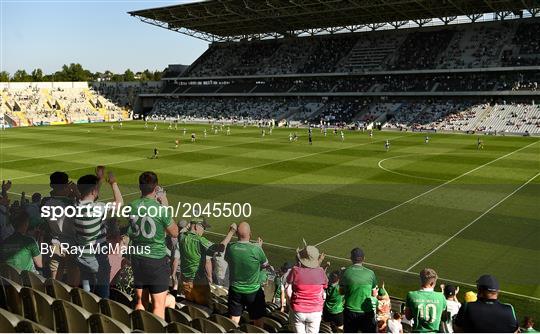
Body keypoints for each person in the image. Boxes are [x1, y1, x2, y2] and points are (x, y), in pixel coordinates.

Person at [128, 171, 179, 319]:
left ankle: (140, 326)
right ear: (156, 187)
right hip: (155, 260)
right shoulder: (160, 209)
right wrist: (164, 204)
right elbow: (174, 232)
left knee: (140, 301)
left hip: (137, 258)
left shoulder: (132, 206)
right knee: (158, 305)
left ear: (139, 186)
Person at [74, 167, 123, 299]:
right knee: (103, 293)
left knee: (86, 289)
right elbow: (119, 204)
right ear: (93, 191)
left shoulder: (74, 206)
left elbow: (87, 195)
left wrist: (99, 180)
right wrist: (113, 183)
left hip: (81, 255)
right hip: (97, 258)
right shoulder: (98, 208)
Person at [178, 219, 236, 306]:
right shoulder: (200, 240)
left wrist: (189, 225)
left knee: (190, 304)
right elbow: (221, 248)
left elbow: (183, 231)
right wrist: (231, 232)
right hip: (198, 281)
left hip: (185, 279)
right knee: (206, 306)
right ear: (196, 226)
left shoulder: (182, 236)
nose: (204, 230)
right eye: (203, 227)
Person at [225, 222, 269, 327]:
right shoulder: (256, 249)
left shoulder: (231, 248)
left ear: (236, 234)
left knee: (234, 320)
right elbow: (265, 265)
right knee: (258, 320)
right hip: (253, 291)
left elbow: (228, 259)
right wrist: (259, 247)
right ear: (250, 234)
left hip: (235, 290)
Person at [41, 171, 79, 284]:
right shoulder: (71, 204)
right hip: (71, 244)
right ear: (66, 185)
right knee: (73, 278)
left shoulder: (46, 202)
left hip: (55, 242)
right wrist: (75, 193)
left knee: (55, 278)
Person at [454, 274, 519, 333]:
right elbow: (515, 331)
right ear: (497, 291)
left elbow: (457, 329)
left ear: (479, 290)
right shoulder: (509, 309)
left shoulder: (467, 307)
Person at [286, 243, 328, 333]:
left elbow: (288, 282)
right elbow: (325, 286)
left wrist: (298, 260)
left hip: (298, 310)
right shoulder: (321, 271)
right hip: (315, 311)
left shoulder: (295, 270)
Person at [340, 247, 378, 333]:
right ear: (364, 259)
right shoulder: (371, 273)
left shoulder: (345, 272)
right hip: (366, 311)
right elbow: (374, 294)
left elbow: (341, 292)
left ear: (351, 258)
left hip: (350, 311)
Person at [404, 268, 446, 333]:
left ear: (421, 281)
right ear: (432, 283)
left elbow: (408, 317)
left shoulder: (411, 295)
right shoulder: (441, 296)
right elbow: (444, 318)